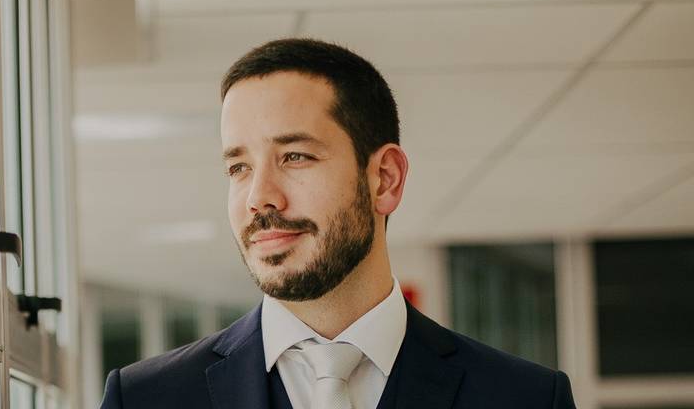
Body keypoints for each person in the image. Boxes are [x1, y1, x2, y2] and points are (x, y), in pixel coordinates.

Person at [100, 38, 576, 409]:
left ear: (384, 180)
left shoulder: (526, 398)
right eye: (238, 168)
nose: (259, 197)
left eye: (295, 156)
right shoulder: (145, 399)